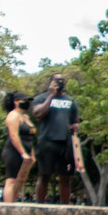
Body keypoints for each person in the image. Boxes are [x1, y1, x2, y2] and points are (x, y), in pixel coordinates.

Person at [31, 74, 80, 205]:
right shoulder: (41, 98)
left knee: (65, 177)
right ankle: (40, 205)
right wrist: (51, 96)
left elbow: (75, 120)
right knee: (44, 175)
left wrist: (75, 126)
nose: (60, 82)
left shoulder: (70, 101)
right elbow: (37, 114)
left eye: (62, 80)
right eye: (57, 80)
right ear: (51, 82)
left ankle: (65, 207)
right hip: (47, 142)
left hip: (65, 143)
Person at [1, 91, 35, 202]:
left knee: (19, 181)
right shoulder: (13, 115)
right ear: (16, 102)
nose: (26, 103)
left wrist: (32, 153)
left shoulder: (25, 116)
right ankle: (8, 207)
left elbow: (32, 136)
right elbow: (13, 135)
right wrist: (23, 153)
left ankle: (14, 203)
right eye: (24, 100)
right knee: (11, 180)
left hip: (27, 152)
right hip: (14, 152)